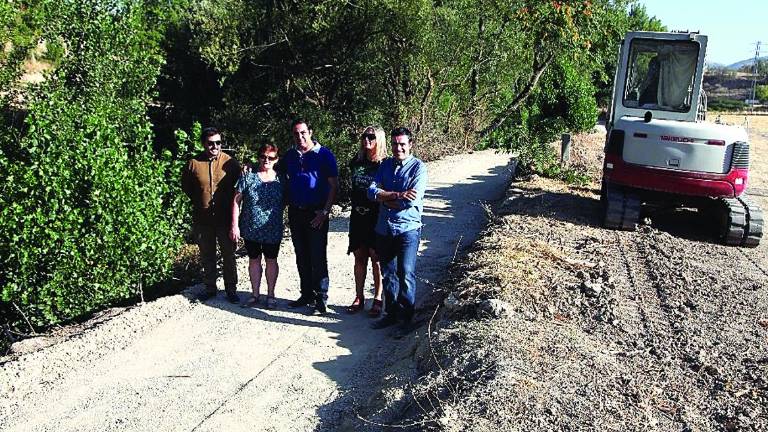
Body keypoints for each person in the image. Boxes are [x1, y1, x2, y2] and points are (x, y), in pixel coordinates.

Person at [367, 127, 427, 331]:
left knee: (406, 273)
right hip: (384, 229)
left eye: (402, 144)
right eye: (395, 144)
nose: (398, 148)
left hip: (408, 229)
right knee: (388, 273)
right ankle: (391, 314)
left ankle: (406, 318)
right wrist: (398, 195)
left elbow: (411, 202)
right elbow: (371, 192)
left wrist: (386, 198)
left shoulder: (418, 168)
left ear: (410, 145)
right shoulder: (384, 166)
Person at [279, 119, 339, 314]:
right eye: (296, 133)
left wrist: (325, 211)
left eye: (303, 132)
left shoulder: (324, 155)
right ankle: (306, 294)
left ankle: (321, 297)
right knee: (301, 255)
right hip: (296, 212)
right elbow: (273, 170)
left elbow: (333, 185)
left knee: (317, 255)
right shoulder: (290, 155)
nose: (300, 137)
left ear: (310, 132)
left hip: (316, 212)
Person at [181, 126, 241, 303]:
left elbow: (240, 189)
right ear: (203, 144)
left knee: (229, 255)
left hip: (225, 220)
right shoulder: (193, 163)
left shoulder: (230, 163)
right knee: (207, 255)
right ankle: (210, 288)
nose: (215, 146)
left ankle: (231, 289)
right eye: (211, 143)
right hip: (203, 220)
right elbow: (187, 188)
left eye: (218, 143)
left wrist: (235, 220)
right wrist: (201, 201)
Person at [230, 144, 284, 309]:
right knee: (254, 260)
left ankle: (271, 295)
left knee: (271, 260)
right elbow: (236, 200)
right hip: (250, 227)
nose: (266, 160)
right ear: (258, 157)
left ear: (277, 159)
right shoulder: (248, 176)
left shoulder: (282, 179)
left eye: (271, 157)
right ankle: (255, 294)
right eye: (263, 156)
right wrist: (234, 225)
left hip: (272, 228)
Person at [346, 126, 387, 316]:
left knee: (376, 258)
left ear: (379, 140)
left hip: (376, 216)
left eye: (372, 137)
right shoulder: (356, 162)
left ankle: (377, 298)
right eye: (365, 136)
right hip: (358, 216)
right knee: (359, 256)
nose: (367, 140)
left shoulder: (385, 164)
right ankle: (359, 296)